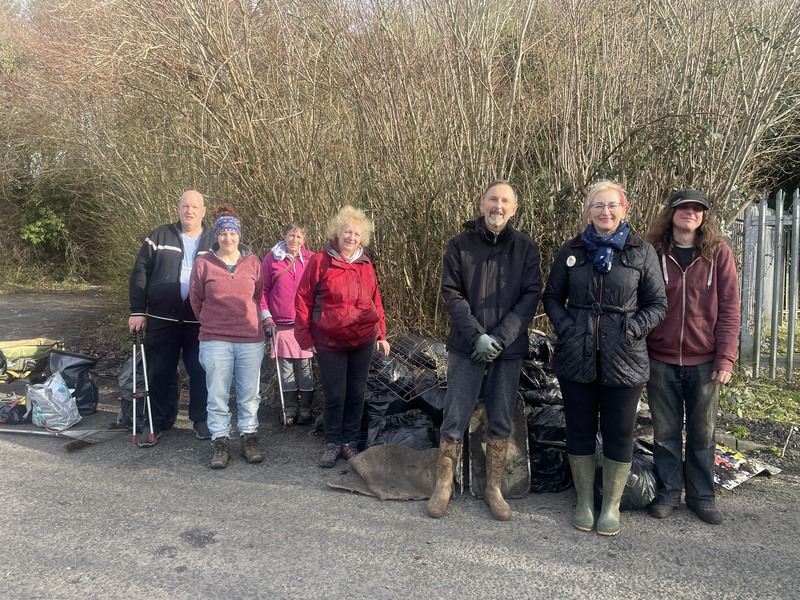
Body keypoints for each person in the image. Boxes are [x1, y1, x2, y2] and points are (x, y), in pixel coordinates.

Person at [542, 180, 666, 536]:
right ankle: (584, 501)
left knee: (619, 432)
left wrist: (631, 329)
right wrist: (567, 327)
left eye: (612, 205)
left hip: (624, 356)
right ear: (588, 210)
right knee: (579, 428)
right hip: (576, 354)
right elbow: (552, 297)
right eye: (598, 205)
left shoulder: (641, 252)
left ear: (624, 209)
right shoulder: (572, 250)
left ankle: (610, 504)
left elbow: (658, 304)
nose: (605, 212)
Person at [428, 180, 542, 521]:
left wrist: (501, 338)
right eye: (493, 199)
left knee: (501, 416)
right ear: (482, 204)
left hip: (507, 351)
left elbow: (530, 296)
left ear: (514, 209)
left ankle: (494, 488)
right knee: (455, 414)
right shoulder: (460, 245)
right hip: (467, 347)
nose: (499, 206)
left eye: (505, 201)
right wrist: (477, 336)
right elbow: (452, 293)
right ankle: (443, 484)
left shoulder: (526, 248)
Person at [645, 189, 741, 525]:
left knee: (703, 435)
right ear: (671, 213)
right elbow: (641, 303)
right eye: (683, 208)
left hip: (704, 361)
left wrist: (725, 358)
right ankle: (669, 493)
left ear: (704, 216)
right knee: (665, 433)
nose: (690, 213)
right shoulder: (653, 253)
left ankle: (702, 497)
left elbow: (730, 308)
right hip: (660, 358)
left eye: (697, 209)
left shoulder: (718, 254)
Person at [295, 205, 390, 468]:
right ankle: (332, 442)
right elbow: (303, 299)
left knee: (357, 393)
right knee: (336, 394)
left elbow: (375, 300)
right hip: (329, 341)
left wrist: (381, 333)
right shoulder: (319, 261)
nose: (351, 237)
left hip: (363, 340)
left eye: (357, 234)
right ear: (336, 233)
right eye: (347, 231)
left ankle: (349, 442)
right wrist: (305, 337)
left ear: (363, 238)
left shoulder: (365, 263)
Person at [128, 189, 215, 446]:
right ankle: (156, 421)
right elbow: (140, 273)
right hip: (161, 318)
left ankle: (201, 419)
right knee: (159, 372)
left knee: (200, 371)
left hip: (199, 321)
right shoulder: (159, 236)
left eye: (194, 207)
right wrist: (137, 310)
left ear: (203, 211)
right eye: (185, 206)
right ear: (178, 209)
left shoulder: (213, 240)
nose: (189, 211)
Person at [189, 204, 265, 469]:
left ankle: (248, 436)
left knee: (249, 392)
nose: (228, 238)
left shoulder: (253, 263)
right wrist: (213, 322)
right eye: (223, 233)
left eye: (233, 233)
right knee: (217, 393)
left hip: (250, 338)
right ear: (217, 236)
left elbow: (257, 296)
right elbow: (196, 300)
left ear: (239, 235)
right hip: (215, 339)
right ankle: (220, 441)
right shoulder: (203, 264)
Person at [260, 222, 315, 426]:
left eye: (299, 237)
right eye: (291, 235)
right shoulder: (271, 260)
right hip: (280, 325)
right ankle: (289, 409)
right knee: (286, 369)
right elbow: (262, 291)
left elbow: (317, 291)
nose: (295, 240)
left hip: (303, 325)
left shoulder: (310, 259)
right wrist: (266, 317)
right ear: (284, 236)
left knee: (305, 367)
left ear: (304, 239)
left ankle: (307, 410)